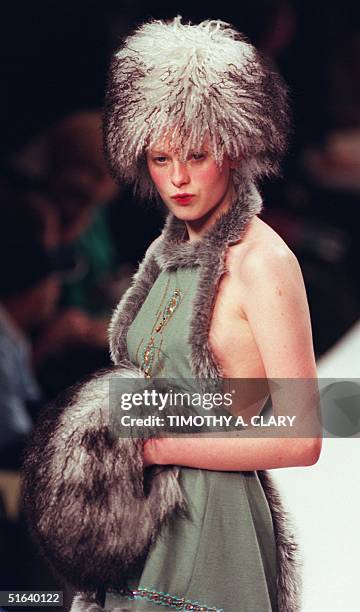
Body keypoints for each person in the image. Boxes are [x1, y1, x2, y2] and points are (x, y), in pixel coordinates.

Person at [22, 16, 321, 612]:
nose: (178, 178)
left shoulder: (262, 262)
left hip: (212, 527)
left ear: (234, 146)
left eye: (197, 154)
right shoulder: (170, 253)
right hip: (137, 519)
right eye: (160, 158)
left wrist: (157, 447)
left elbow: (304, 436)